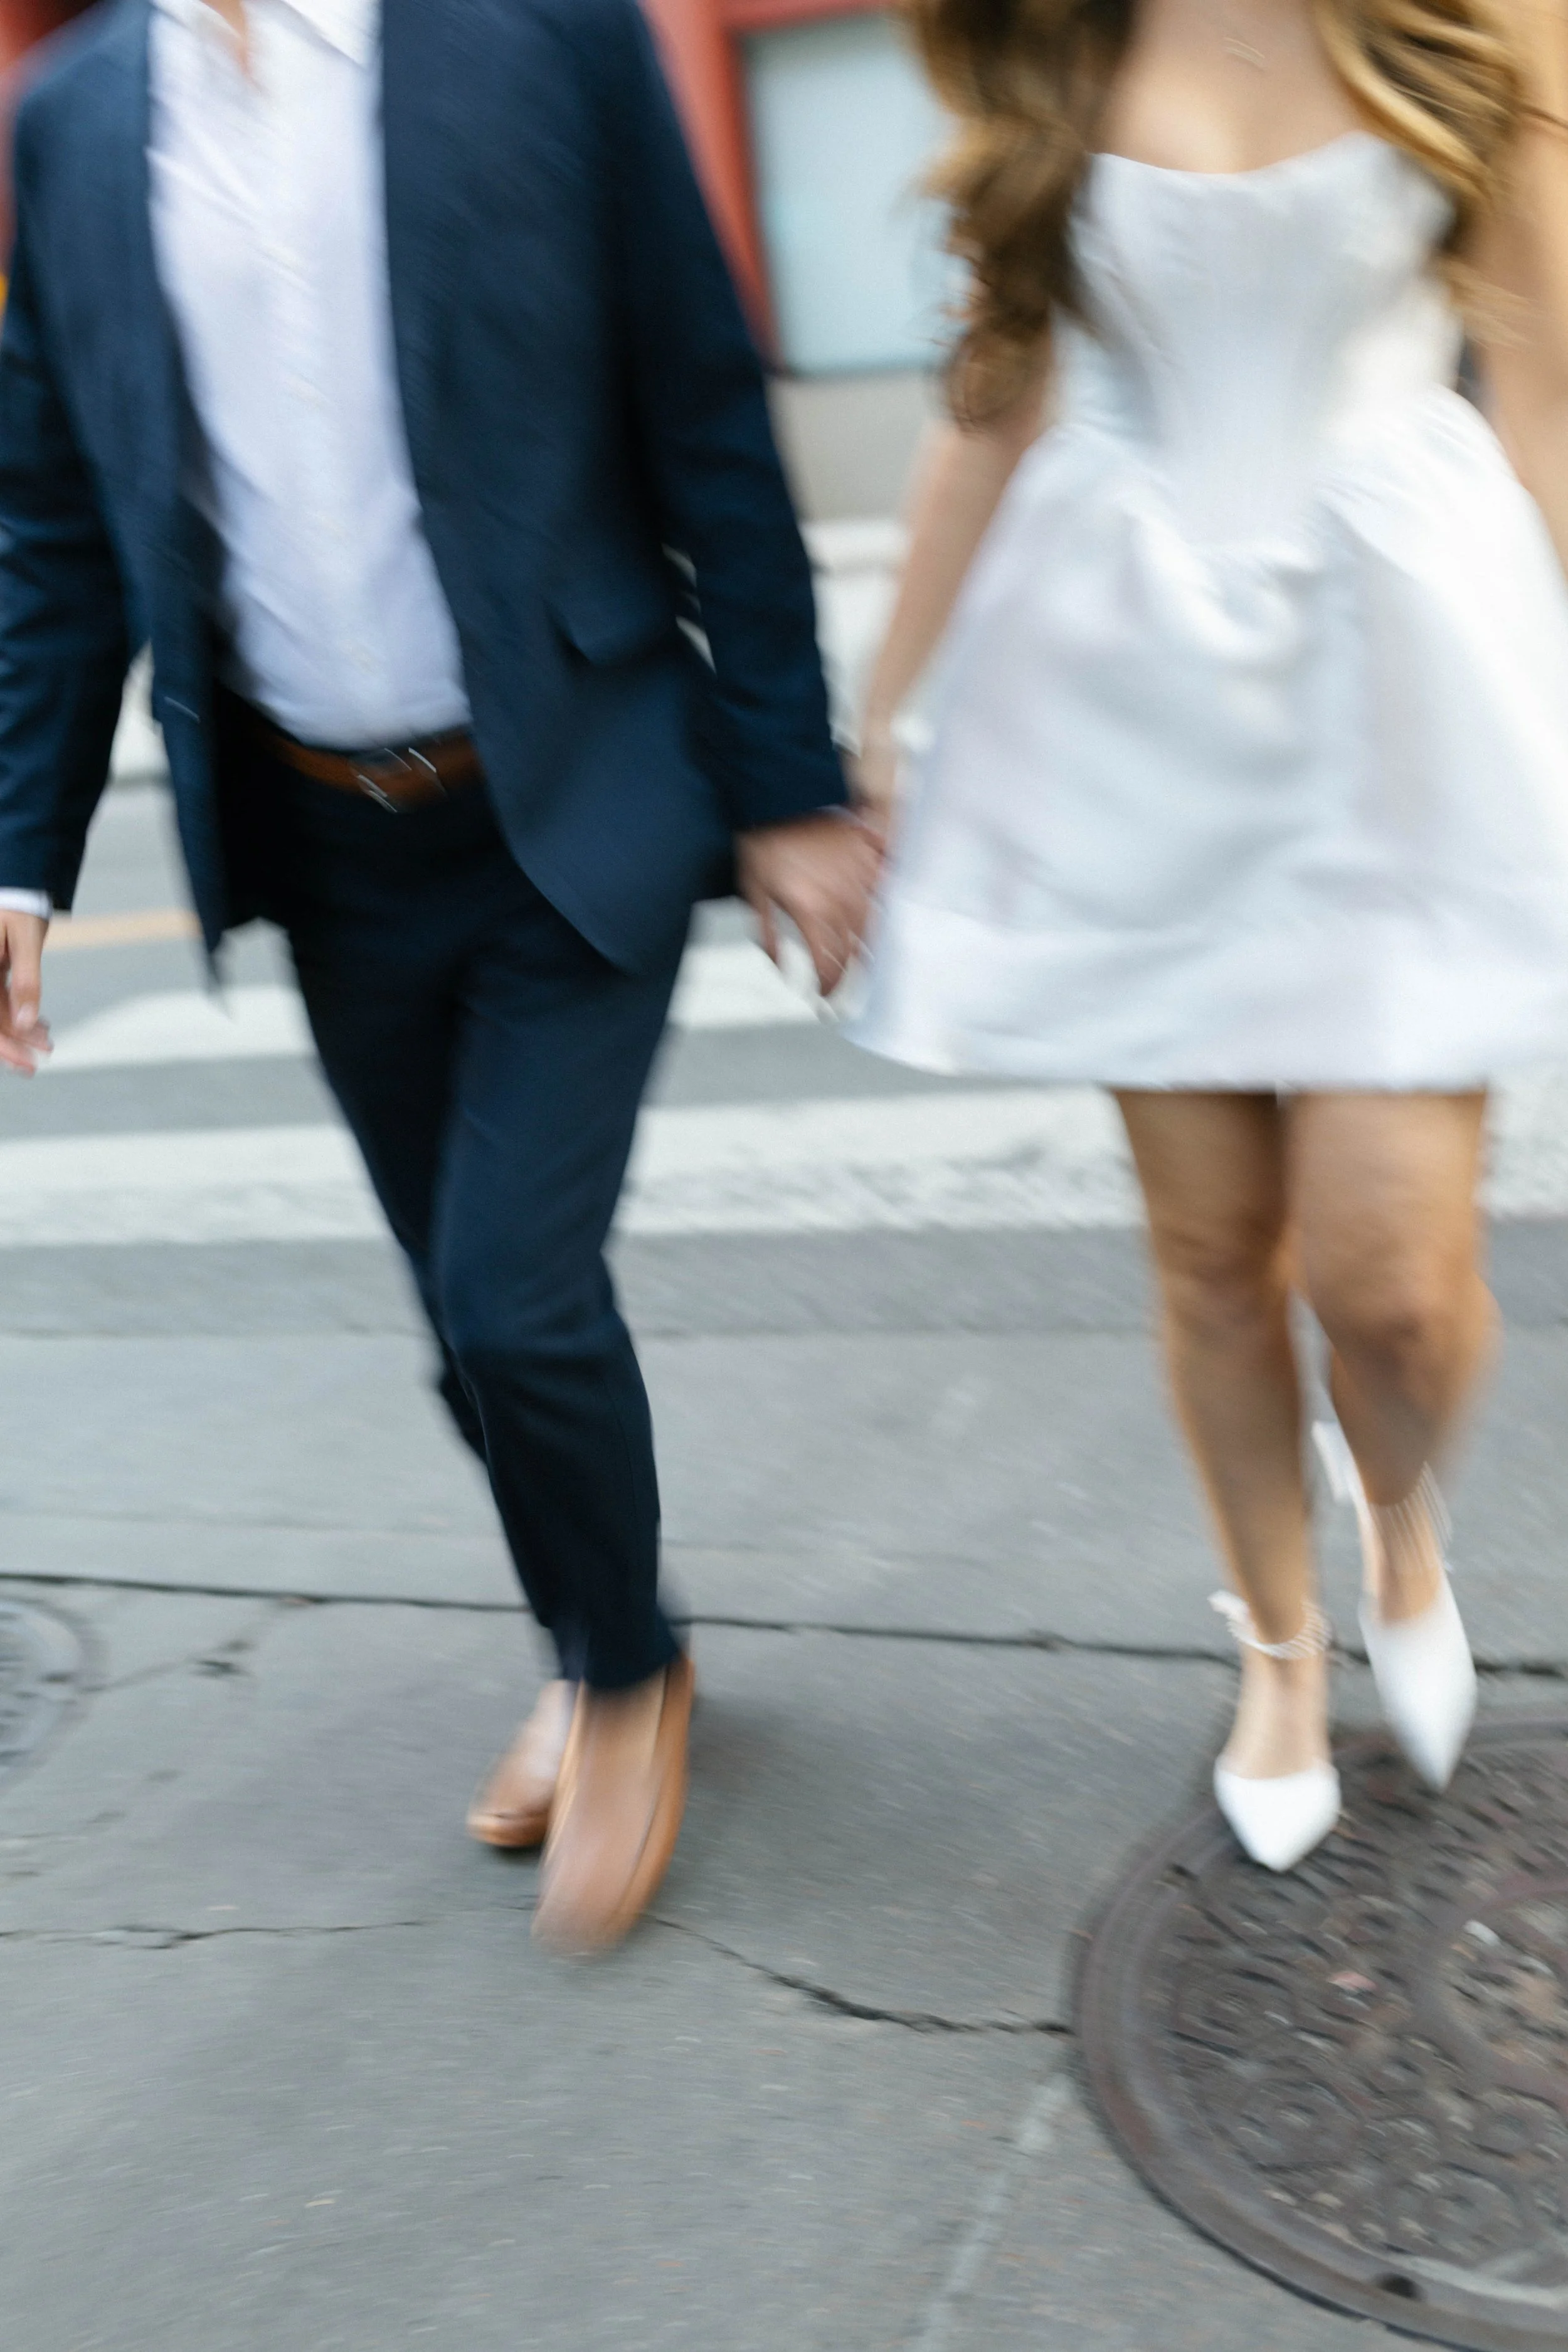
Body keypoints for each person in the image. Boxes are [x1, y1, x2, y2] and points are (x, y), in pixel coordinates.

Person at [0, 0, 877, 1949]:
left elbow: (702, 402)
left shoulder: (538, 35)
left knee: (511, 1292)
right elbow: (55, 518)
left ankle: (627, 1677)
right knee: (460, 1317)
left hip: (572, 784)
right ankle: (594, 1632)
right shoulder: (74, 120)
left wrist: (790, 785)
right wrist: (21, 855)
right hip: (322, 839)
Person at [851, 0, 1568, 1868]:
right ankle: (1273, 1644)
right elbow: (988, 407)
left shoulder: (1482, 26)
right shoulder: (1045, 44)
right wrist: (868, 727)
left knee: (1393, 1287)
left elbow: (1547, 383)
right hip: (1124, 682)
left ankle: (1396, 1515)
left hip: (1402, 668)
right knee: (1209, 1253)